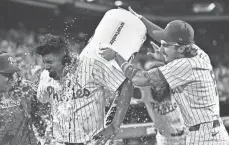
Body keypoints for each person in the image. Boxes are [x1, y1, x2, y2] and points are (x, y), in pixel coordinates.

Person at [98, 7, 229, 144]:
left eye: (166, 45)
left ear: (182, 48)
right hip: (206, 133)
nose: (161, 48)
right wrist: (141, 20)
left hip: (205, 137)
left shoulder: (183, 66)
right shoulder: (197, 52)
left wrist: (117, 56)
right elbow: (160, 34)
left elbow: (139, 78)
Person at [34, 34, 134, 145]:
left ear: (65, 58)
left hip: (91, 141)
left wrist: (115, 124)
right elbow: (42, 101)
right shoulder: (46, 76)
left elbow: (126, 85)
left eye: (50, 62)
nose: (46, 67)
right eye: (44, 62)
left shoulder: (90, 66)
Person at [135, 60, 185, 145]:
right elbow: (134, 77)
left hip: (185, 136)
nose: (157, 84)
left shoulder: (174, 87)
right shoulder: (146, 91)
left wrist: (165, 59)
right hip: (165, 139)